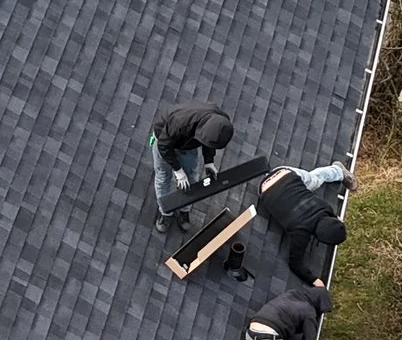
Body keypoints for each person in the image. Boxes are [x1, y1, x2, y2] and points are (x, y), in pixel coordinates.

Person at [255, 163, 350, 284]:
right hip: (264, 190)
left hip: (283, 173)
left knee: (310, 182)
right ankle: (338, 171)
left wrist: (337, 222)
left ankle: (337, 173)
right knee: (314, 180)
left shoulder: (325, 208)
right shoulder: (300, 233)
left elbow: (333, 217)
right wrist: (314, 280)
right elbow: (295, 264)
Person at [148, 101, 236, 229]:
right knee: (163, 177)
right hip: (164, 141)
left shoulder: (220, 122)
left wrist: (209, 162)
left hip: (187, 146)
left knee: (191, 179)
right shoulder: (180, 121)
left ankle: (184, 210)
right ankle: (166, 211)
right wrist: (179, 172)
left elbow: (209, 141)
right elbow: (163, 146)